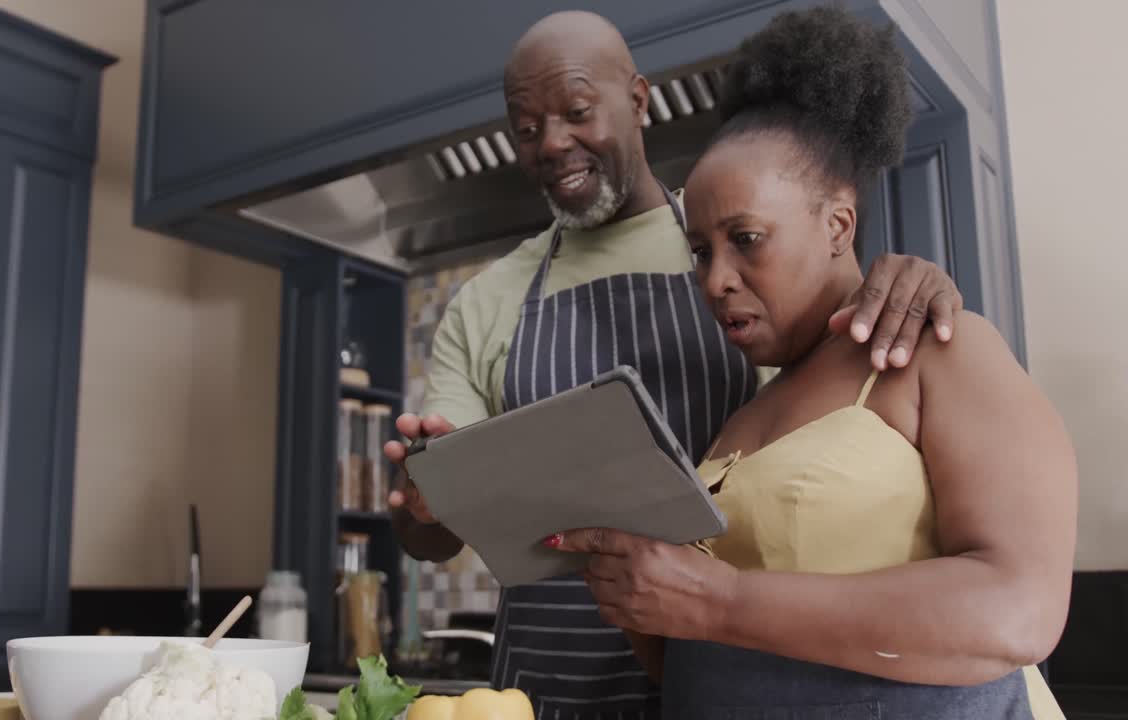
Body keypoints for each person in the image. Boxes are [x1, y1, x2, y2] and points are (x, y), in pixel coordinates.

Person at [387, 10, 967, 717]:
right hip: (538, 694)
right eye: (526, 127)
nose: (552, 143)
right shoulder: (487, 300)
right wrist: (424, 498)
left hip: (724, 673)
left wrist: (915, 279)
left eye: (575, 111)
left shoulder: (736, 237)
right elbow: (435, 533)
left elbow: (849, 370)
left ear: (637, 100)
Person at [546, 7, 1075, 718]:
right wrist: (636, 588)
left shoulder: (936, 350)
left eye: (748, 238)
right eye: (701, 251)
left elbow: (1020, 610)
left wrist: (720, 598)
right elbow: (691, 649)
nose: (716, 279)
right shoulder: (741, 420)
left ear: (837, 225)